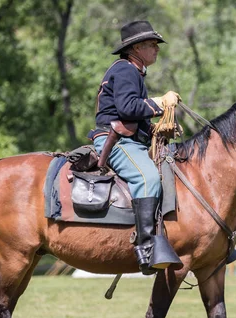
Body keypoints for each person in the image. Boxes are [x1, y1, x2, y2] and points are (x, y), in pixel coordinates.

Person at [88, 21, 182, 275]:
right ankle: (146, 247)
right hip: (116, 140)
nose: (157, 50)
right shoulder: (126, 70)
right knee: (148, 178)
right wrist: (160, 102)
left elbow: (133, 117)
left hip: (129, 139)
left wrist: (155, 129)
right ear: (137, 48)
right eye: (152, 45)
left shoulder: (134, 71)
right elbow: (128, 107)